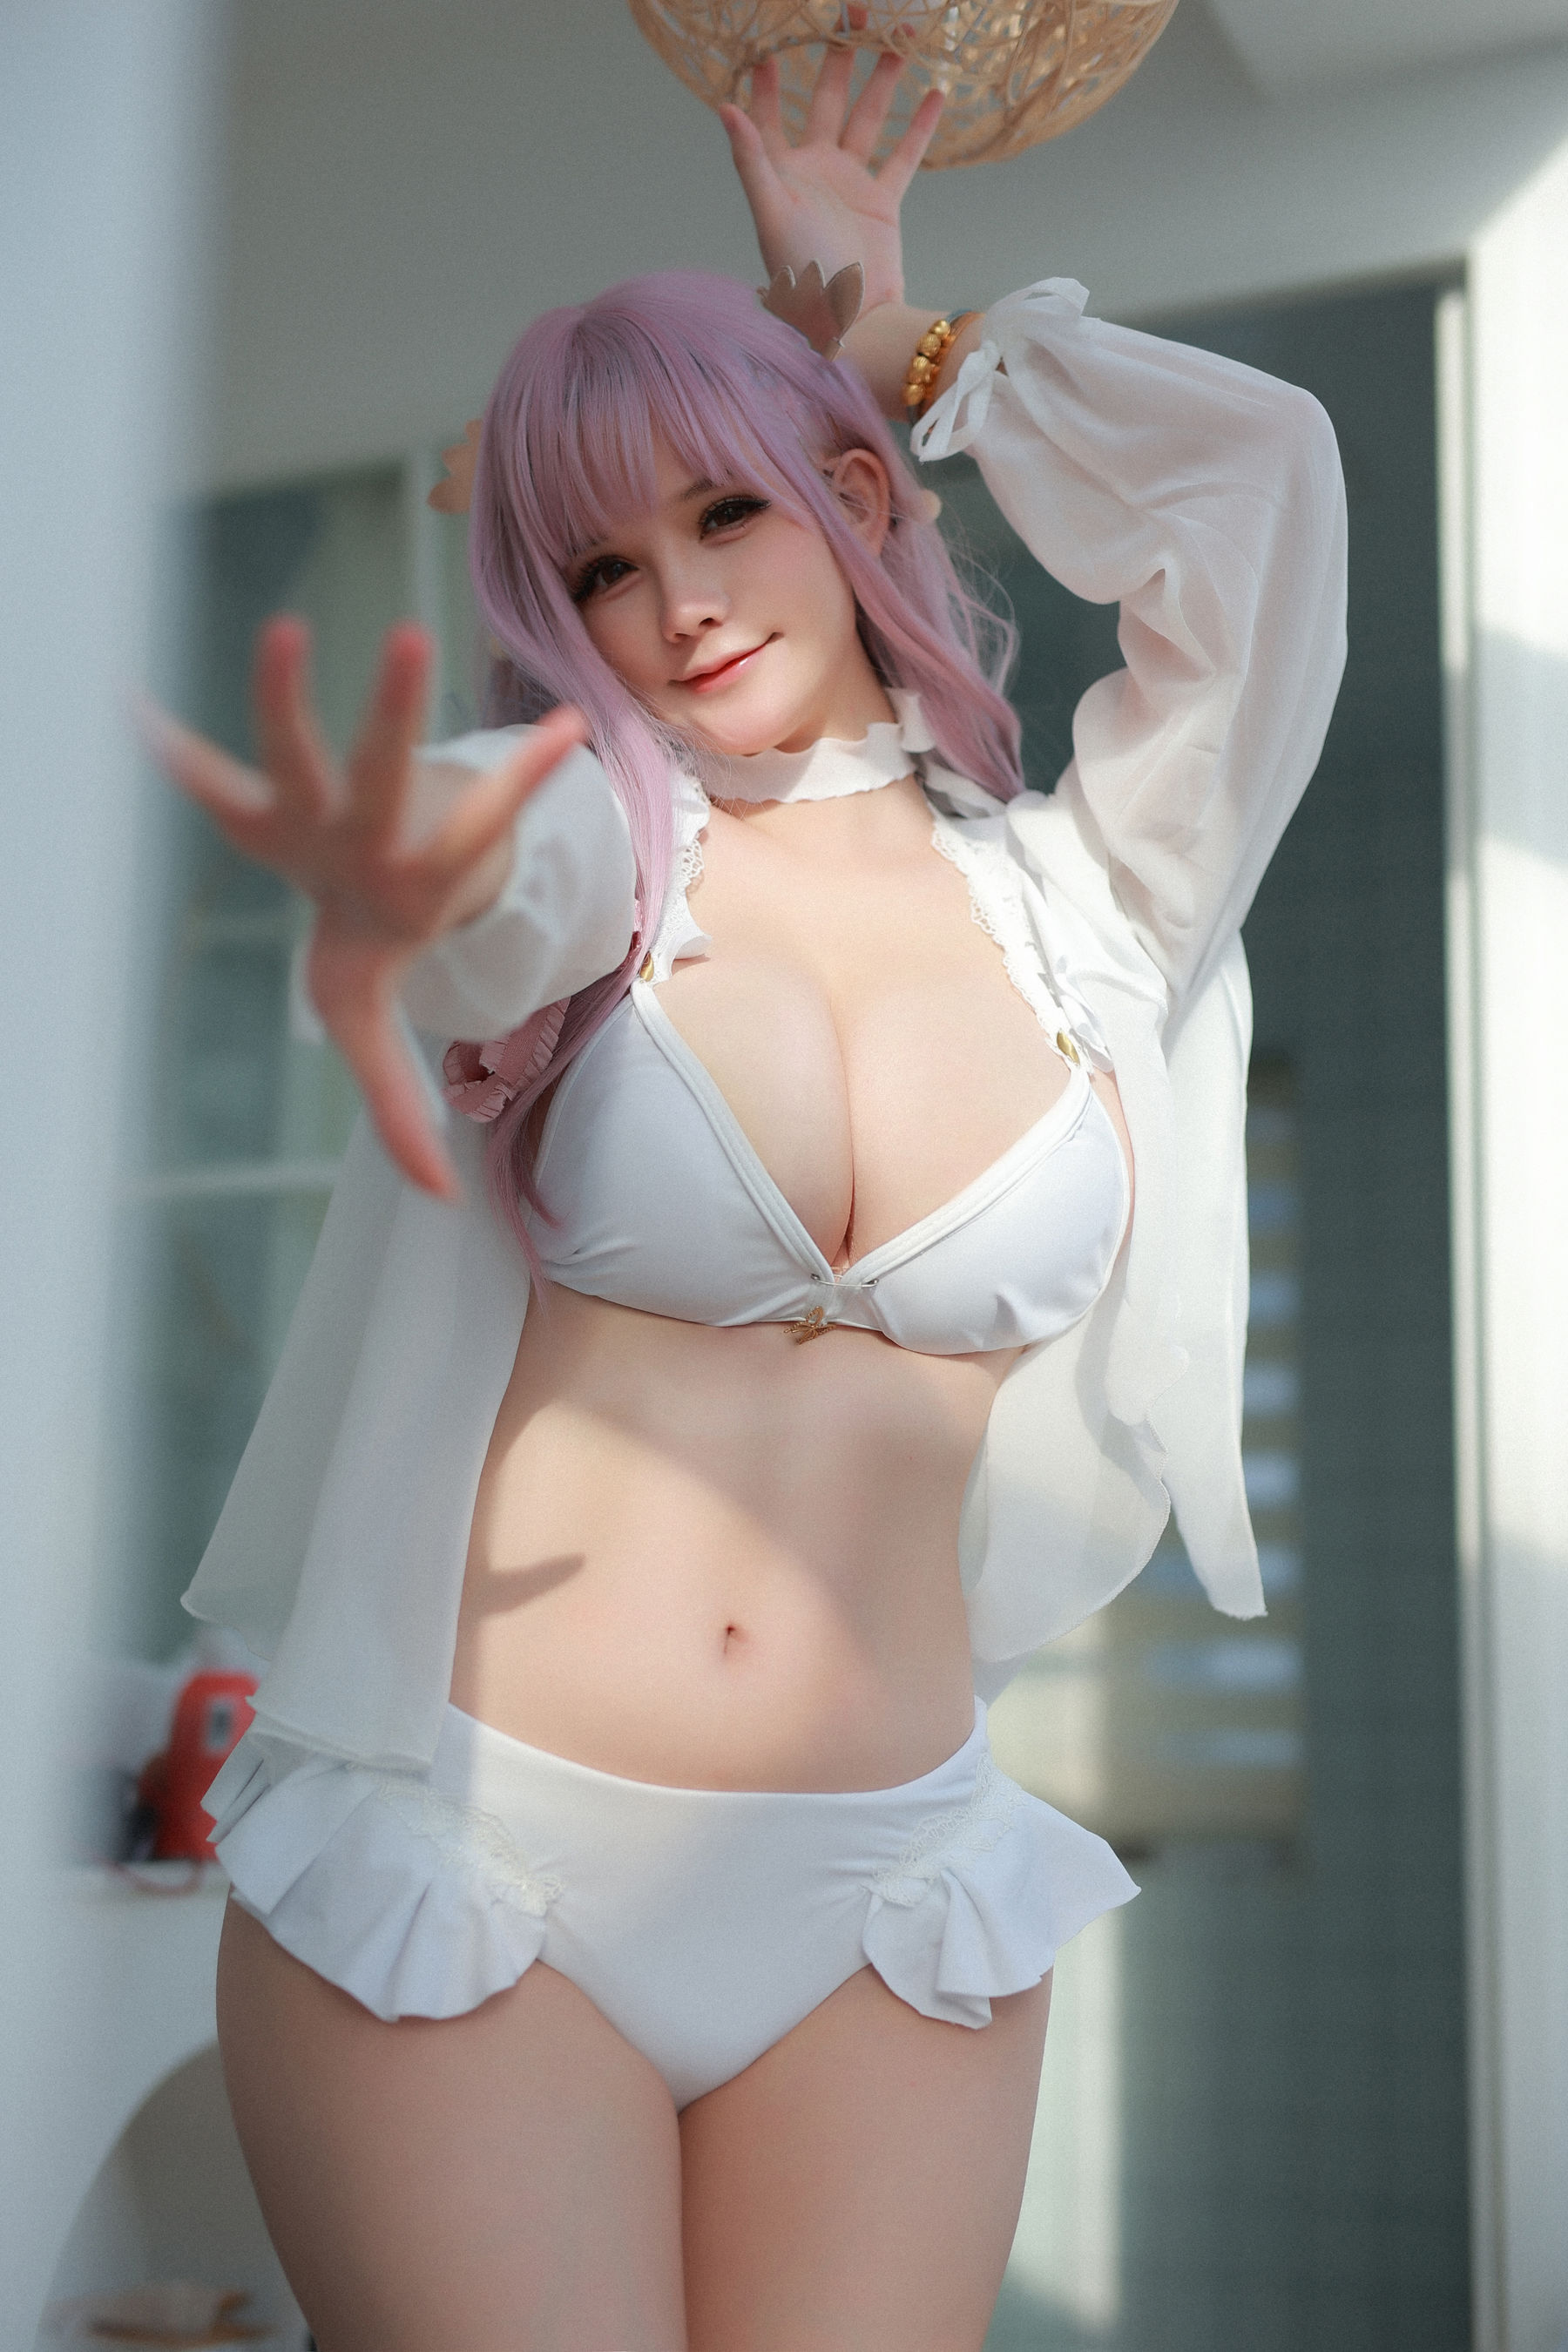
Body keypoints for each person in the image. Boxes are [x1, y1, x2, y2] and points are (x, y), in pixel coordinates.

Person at [149, 47, 1347, 2352]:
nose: (677, 603)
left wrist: (897, 345)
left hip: (886, 1891)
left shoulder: (1094, 918)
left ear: (851, 497)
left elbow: (1265, 493)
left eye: (727, 513)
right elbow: (501, 869)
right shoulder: (613, 856)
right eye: (601, 566)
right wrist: (409, 878)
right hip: (481, 1863)